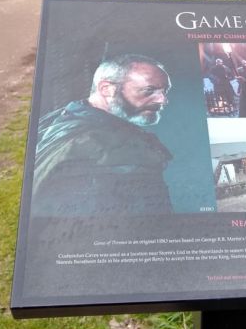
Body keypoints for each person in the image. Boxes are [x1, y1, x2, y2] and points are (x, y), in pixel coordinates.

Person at [32, 54, 174, 217]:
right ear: (106, 89)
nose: (163, 100)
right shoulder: (120, 147)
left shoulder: (59, 118)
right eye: (149, 90)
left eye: (164, 91)